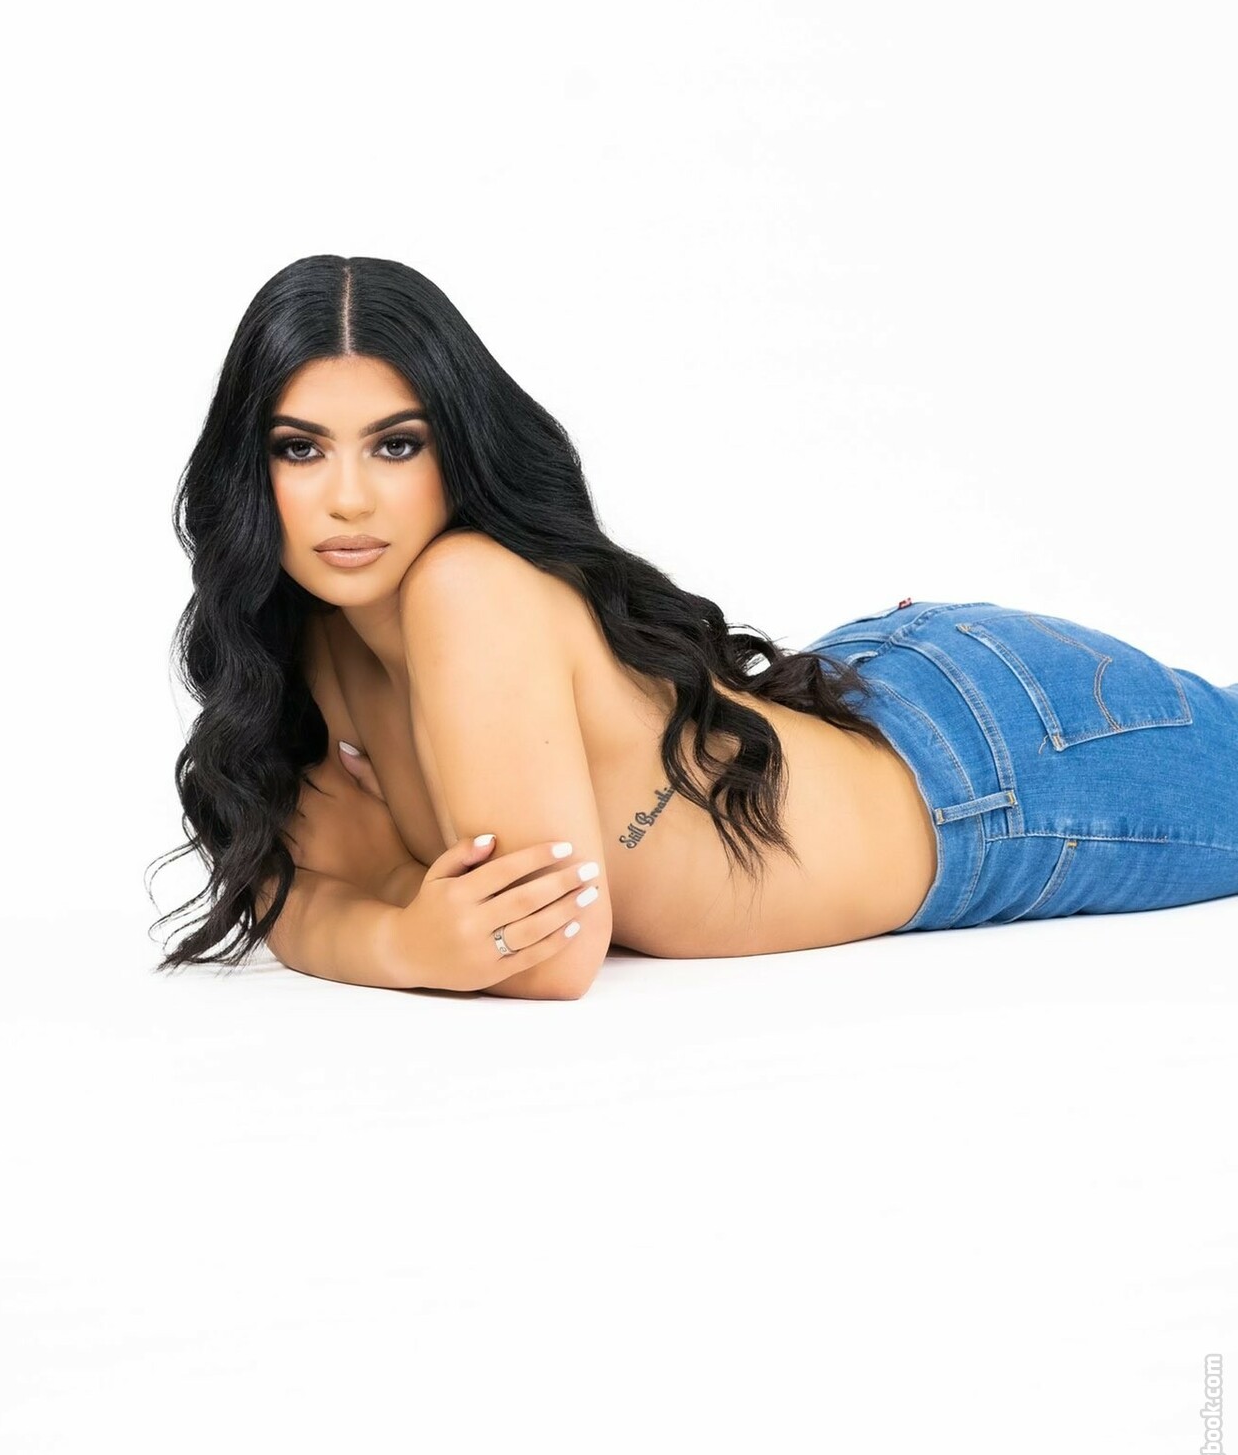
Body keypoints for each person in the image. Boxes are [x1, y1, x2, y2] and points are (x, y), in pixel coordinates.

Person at [150, 255, 1238, 998]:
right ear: (253, 467)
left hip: (997, 782)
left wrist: (390, 922)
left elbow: (544, 955)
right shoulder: (319, 634)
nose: (347, 500)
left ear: (459, 449)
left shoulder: (465, 589)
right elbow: (286, 892)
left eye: (396, 445)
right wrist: (402, 924)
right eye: (301, 448)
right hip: (870, 695)